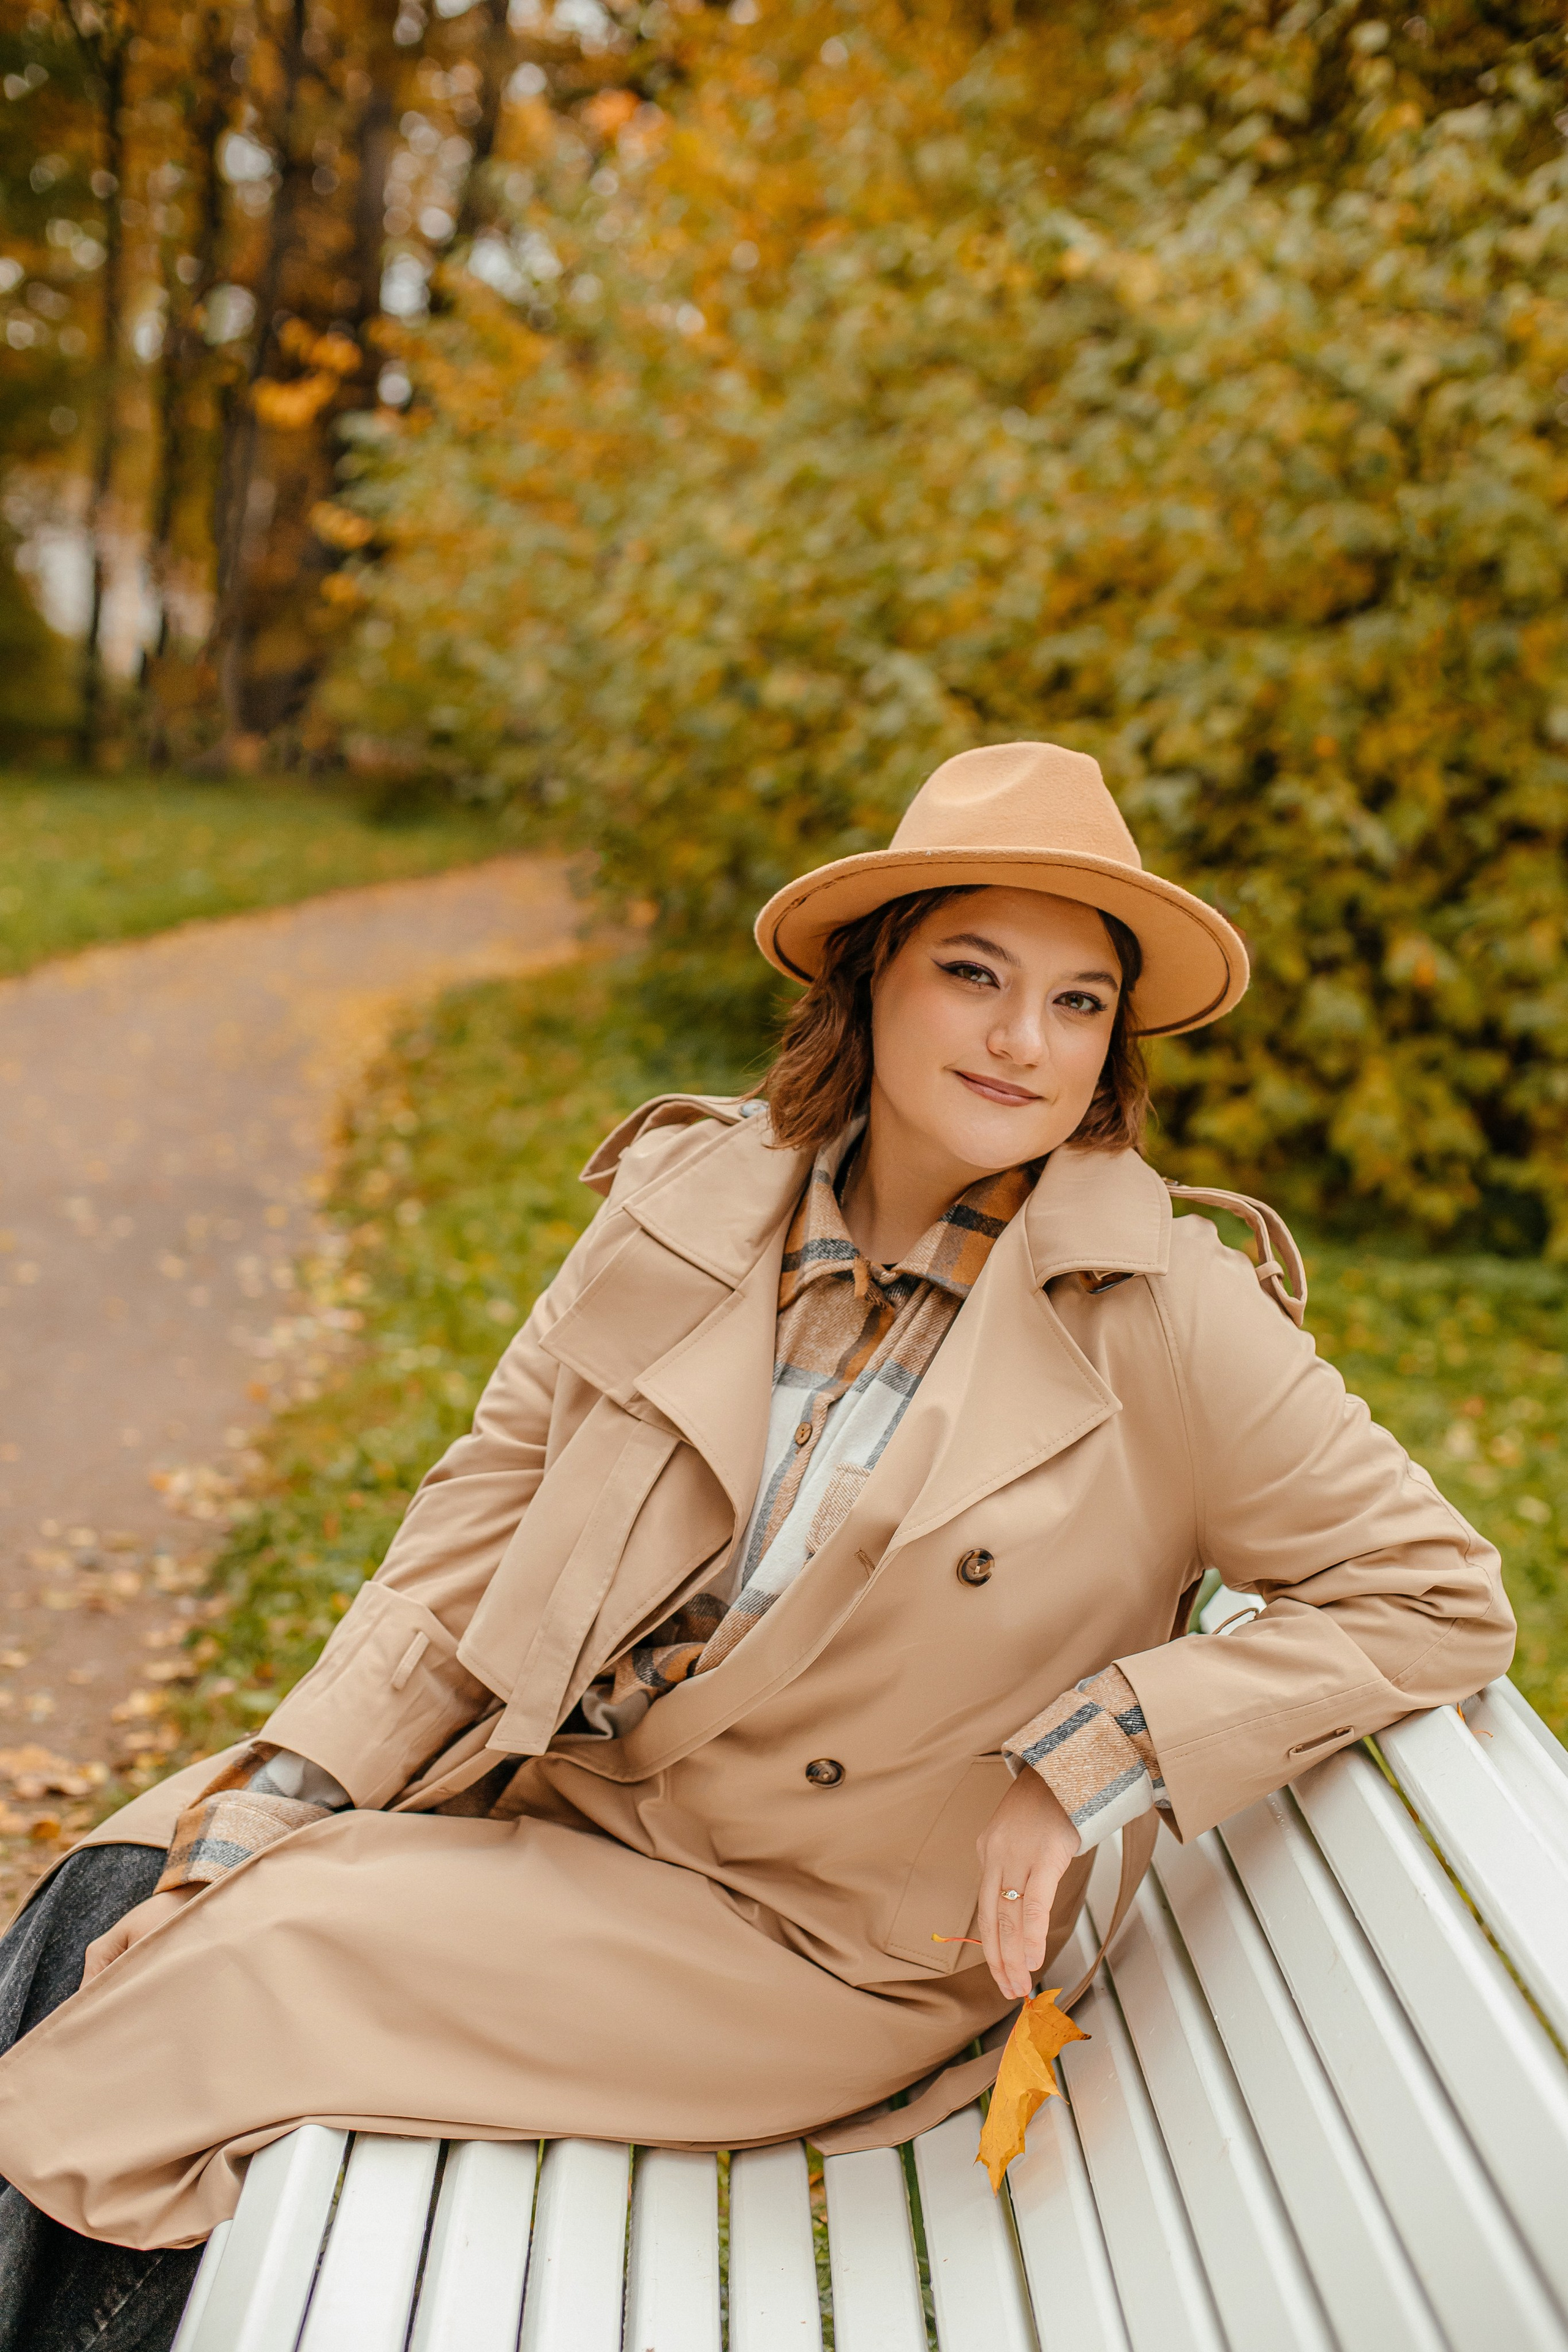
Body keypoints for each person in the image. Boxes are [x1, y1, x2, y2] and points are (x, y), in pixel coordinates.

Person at [0, 742, 1513, 2347]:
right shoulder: (698, 1202)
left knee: (210, 1986)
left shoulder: (1168, 1311)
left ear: (1114, 1047)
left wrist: (1098, 1750)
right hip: (575, 1808)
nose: (1022, 1039)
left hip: (812, 1940)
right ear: (871, 979)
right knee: (120, 1888)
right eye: (974, 972)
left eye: (1079, 1003)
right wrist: (304, 1774)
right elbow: (483, 1514)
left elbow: (1436, 1596)